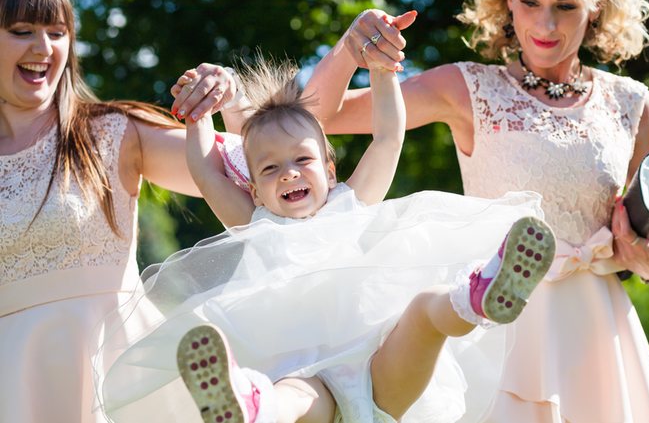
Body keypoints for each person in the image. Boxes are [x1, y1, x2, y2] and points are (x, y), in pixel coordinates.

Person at [96, 50, 557, 423]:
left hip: (383, 369)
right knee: (293, 394)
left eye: (302, 160)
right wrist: (199, 115)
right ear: (254, 188)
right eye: (270, 168)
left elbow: (388, 137)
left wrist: (382, 70)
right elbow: (205, 170)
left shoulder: (349, 203)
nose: (288, 174)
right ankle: (251, 405)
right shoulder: (257, 222)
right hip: (312, 384)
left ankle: (480, 296)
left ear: (330, 168)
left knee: (425, 310)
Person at [302, 0, 649, 421]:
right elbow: (319, 117)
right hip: (493, 323)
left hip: (596, 330)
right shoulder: (467, 87)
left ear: (597, 8)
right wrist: (348, 48)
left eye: (567, 6)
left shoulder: (632, 102)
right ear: (506, 4)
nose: (546, 22)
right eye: (530, 2)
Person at [0, 0, 238, 421]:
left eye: (57, 33)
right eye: (22, 31)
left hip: (117, 376)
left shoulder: (111, 131)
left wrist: (230, 96)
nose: (43, 47)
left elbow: (249, 173)